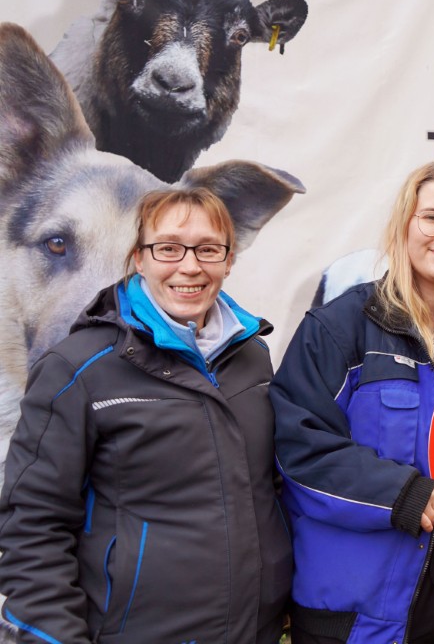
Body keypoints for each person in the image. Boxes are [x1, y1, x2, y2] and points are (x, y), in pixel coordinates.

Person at [0, 188, 291, 643]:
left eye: (209, 249)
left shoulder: (252, 356)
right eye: (169, 248)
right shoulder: (76, 369)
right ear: (139, 258)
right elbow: (32, 523)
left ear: (228, 261)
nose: (190, 266)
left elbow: (267, 489)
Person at [270, 162, 434, 644]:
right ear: (405, 224)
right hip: (363, 612)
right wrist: (398, 493)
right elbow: (297, 448)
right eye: (432, 218)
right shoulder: (341, 326)